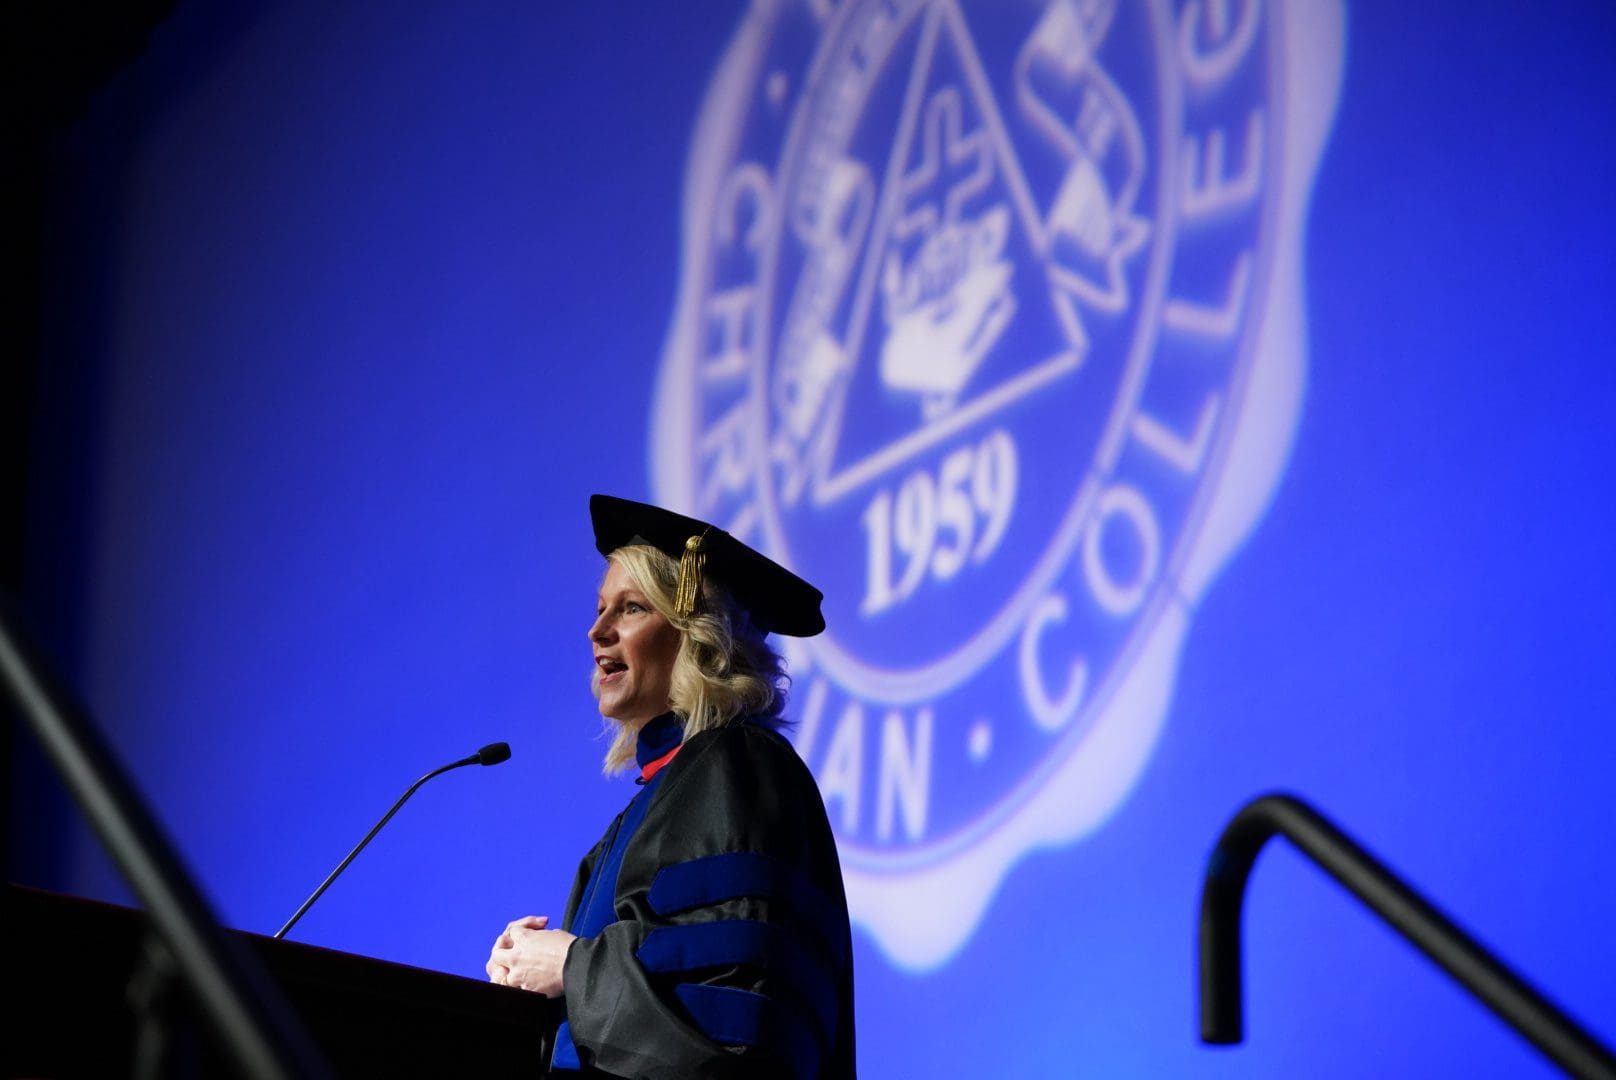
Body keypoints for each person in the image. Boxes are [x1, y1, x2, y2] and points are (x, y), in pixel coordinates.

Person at [486, 494, 857, 1079]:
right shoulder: (653, 804)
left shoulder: (738, 768)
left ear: (696, 633)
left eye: (630, 609)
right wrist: (526, 985)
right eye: (600, 608)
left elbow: (736, 1023)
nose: (596, 631)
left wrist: (573, 968)